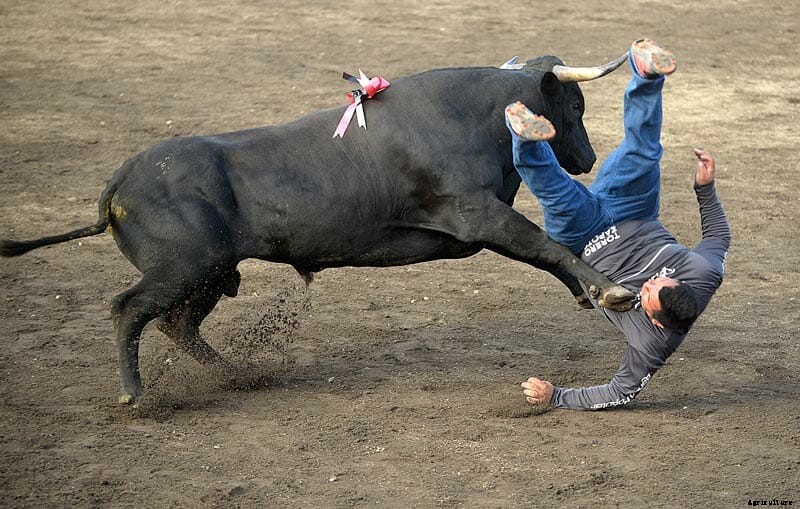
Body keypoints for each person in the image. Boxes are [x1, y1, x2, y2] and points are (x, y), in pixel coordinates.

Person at [508, 38, 731, 410]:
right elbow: (718, 236)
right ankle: (646, 72)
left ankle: (527, 138)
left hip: (585, 238)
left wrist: (557, 396)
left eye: (648, 291)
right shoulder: (704, 275)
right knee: (644, 153)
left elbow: (618, 393)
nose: (649, 281)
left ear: (656, 321)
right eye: (661, 278)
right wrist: (704, 188)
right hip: (635, 212)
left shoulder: (651, 346)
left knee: (560, 194)